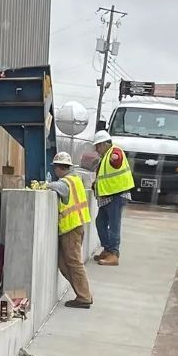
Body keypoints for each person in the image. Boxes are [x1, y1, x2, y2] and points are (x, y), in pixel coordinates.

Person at [45, 151, 93, 307]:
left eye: (55, 168)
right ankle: (82, 294)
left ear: (60, 168)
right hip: (74, 227)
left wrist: (44, 184)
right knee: (64, 264)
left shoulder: (66, 182)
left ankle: (84, 297)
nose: (54, 171)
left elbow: (54, 186)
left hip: (71, 229)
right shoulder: (76, 180)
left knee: (73, 263)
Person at [91, 126, 134, 265]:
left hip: (116, 195)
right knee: (100, 223)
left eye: (98, 146)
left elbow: (117, 160)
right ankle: (108, 250)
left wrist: (115, 159)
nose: (96, 149)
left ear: (104, 144)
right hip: (108, 196)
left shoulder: (114, 152)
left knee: (114, 225)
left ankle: (114, 253)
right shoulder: (104, 157)